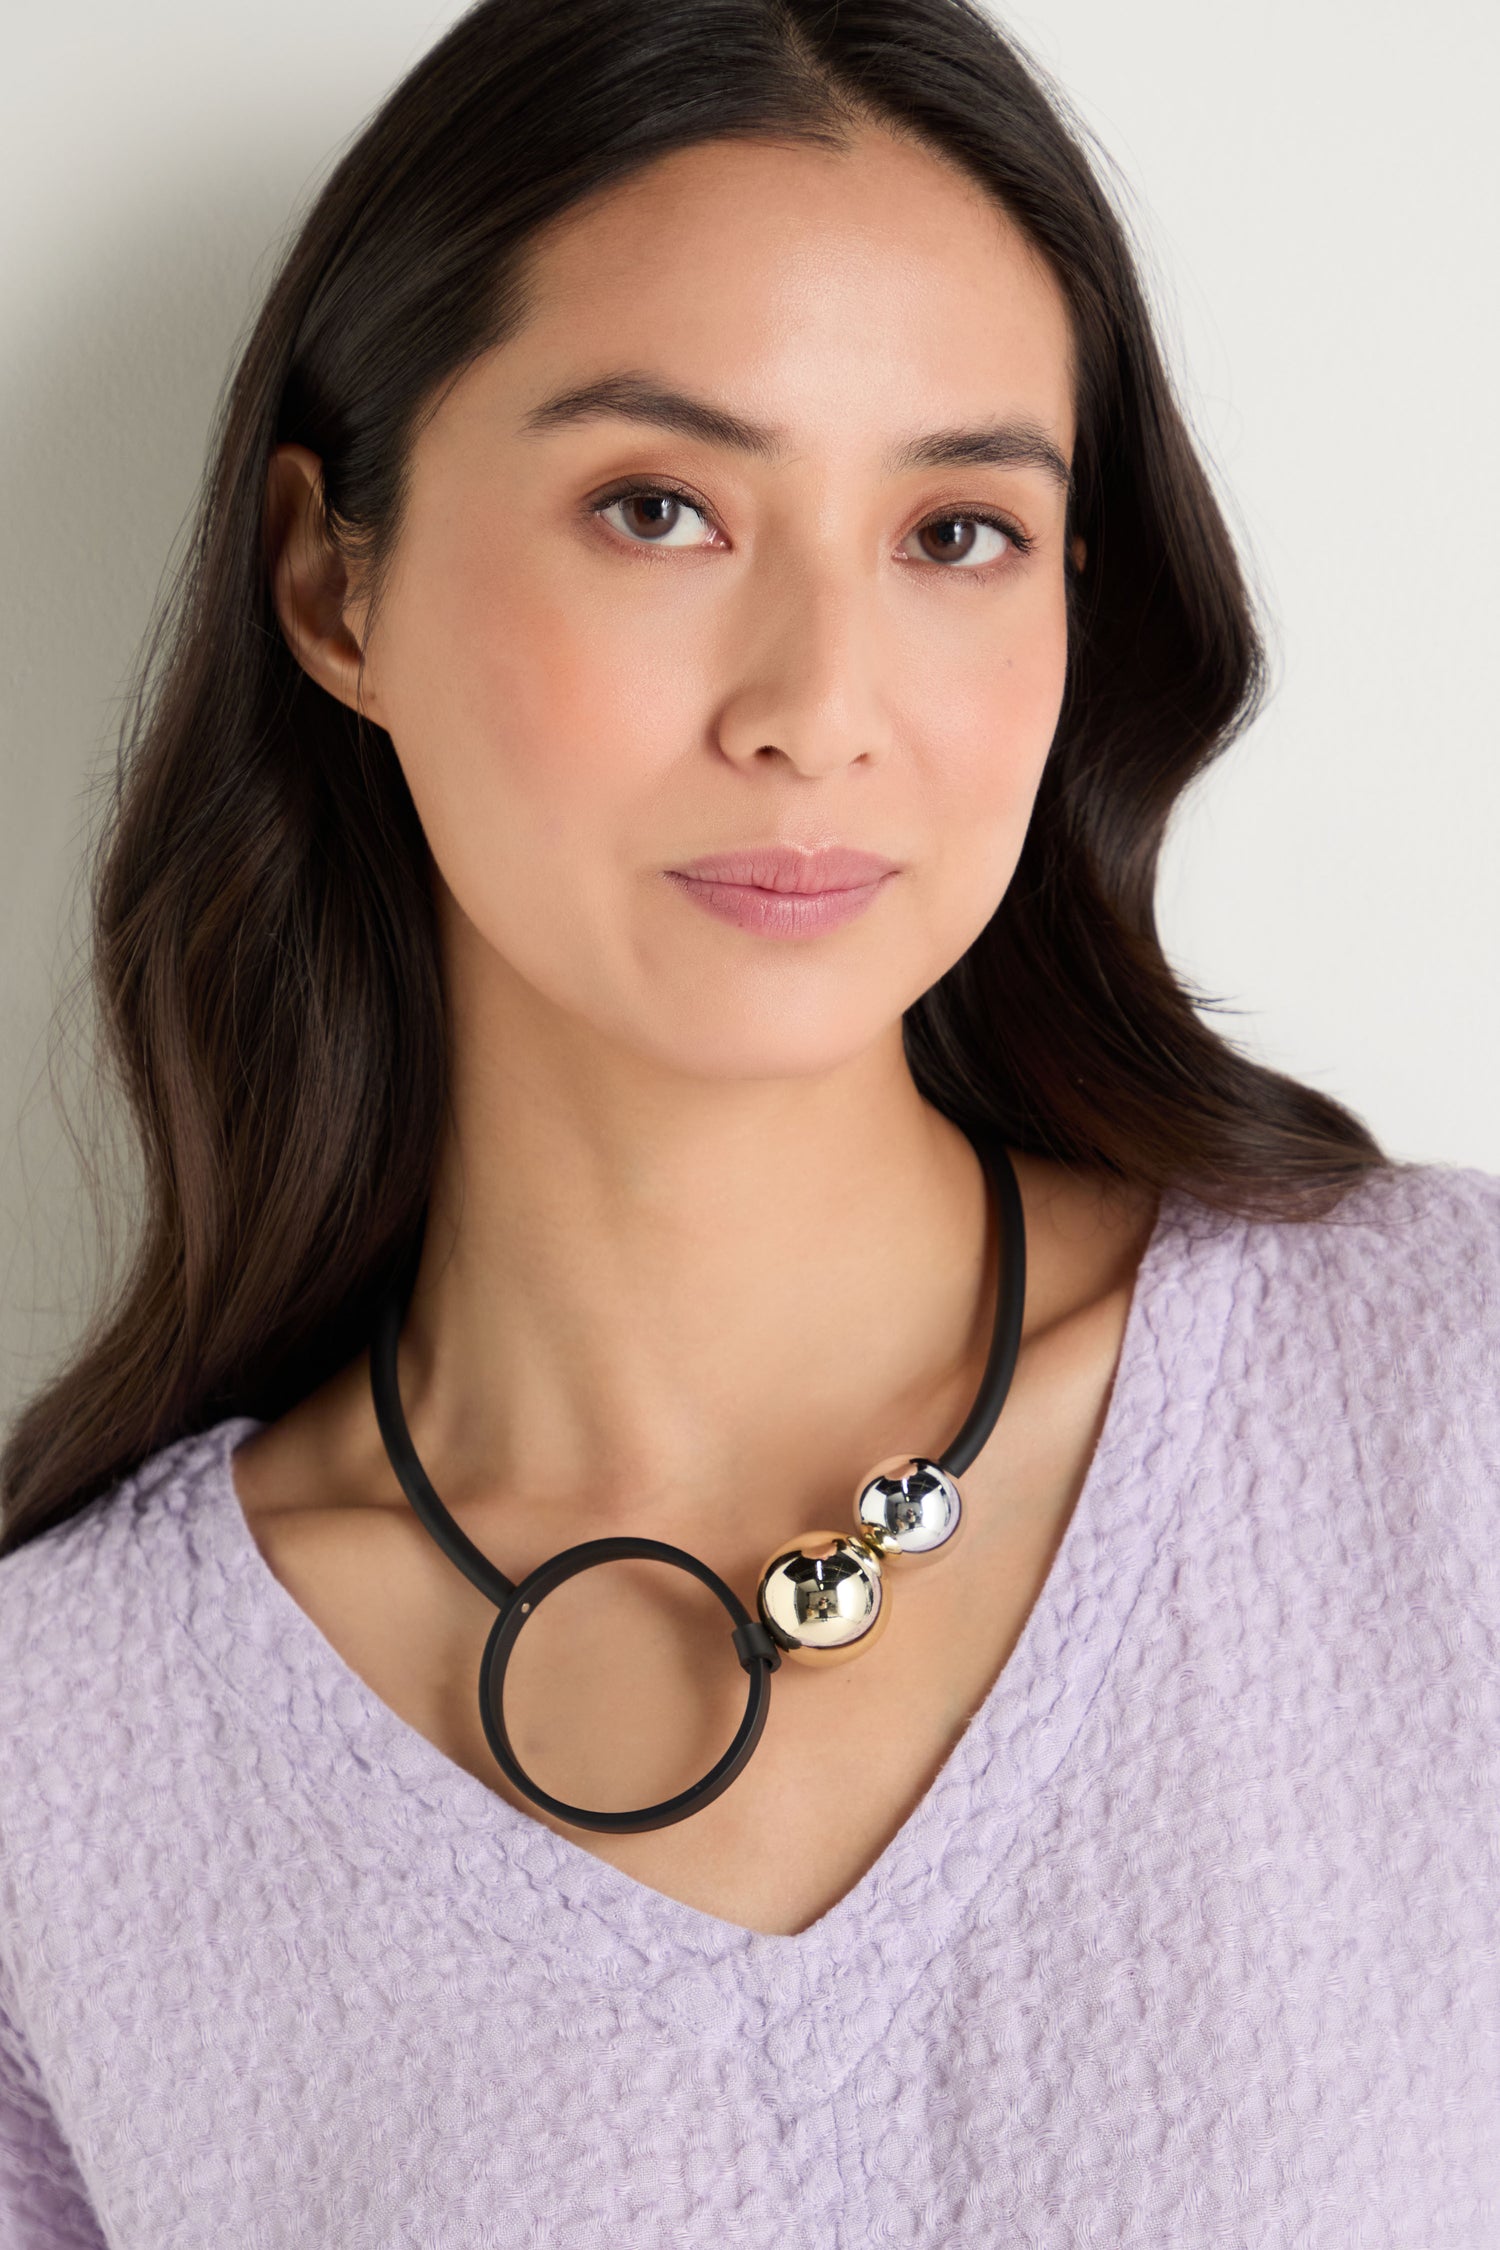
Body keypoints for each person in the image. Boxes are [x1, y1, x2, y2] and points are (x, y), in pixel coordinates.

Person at [1, 0, 1496, 2242]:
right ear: (334, 582)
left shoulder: (1445, 1407)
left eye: (957, 531)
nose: (818, 707)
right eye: (660, 508)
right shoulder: (63, 1764)